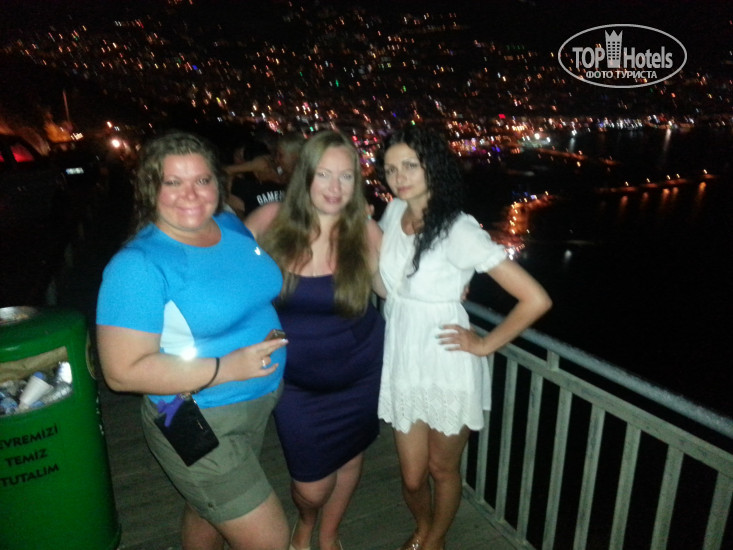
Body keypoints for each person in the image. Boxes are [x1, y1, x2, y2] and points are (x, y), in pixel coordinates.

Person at [96, 131, 290, 550]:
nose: (191, 194)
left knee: (208, 507)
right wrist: (228, 367)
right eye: (174, 182)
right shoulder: (137, 266)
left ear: (218, 182)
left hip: (255, 402)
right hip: (185, 412)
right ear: (151, 188)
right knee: (271, 540)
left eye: (203, 180)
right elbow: (121, 372)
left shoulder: (228, 224)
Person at [376, 125, 552, 550]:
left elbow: (535, 299)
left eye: (410, 165)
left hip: (447, 360)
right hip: (404, 360)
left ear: (433, 167)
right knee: (412, 476)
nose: (399, 177)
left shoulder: (458, 230)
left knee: (442, 469)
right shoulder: (392, 214)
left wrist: (484, 344)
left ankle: (433, 539)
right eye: (390, 169)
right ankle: (423, 525)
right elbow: (388, 287)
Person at [246, 130, 384, 550]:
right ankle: (306, 522)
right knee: (310, 487)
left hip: (361, 373)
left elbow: (394, 291)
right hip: (297, 382)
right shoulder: (270, 221)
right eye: (324, 174)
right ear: (305, 175)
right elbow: (227, 278)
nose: (335, 186)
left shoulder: (366, 232)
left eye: (346, 176)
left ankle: (328, 534)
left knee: (351, 456)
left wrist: (451, 287)